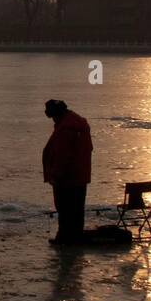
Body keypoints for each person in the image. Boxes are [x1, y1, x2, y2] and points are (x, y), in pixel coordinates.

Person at [42, 99, 93, 244]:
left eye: (52, 116)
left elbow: (62, 156)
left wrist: (56, 175)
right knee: (77, 209)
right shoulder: (79, 124)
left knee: (64, 209)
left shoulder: (66, 128)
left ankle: (65, 237)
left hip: (67, 178)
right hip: (81, 175)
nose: (52, 119)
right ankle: (75, 236)